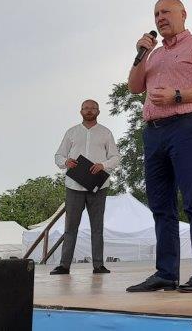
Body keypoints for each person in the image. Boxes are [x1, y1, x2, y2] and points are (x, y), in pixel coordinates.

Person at [126, 0, 192, 293]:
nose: (160, 17)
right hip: (153, 132)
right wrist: (141, 55)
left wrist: (178, 95)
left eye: (166, 11)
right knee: (160, 205)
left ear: (183, 14)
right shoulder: (152, 55)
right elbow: (134, 87)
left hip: (185, 127)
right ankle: (166, 273)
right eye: (156, 13)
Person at [51, 99, 120, 275]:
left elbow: (115, 157)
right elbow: (58, 155)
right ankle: (64, 265)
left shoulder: (106, 133)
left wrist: (103, 165)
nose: (89, 111)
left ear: (98, 111)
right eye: (86, 108)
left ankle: (98, 265)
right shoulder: (71, 132)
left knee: (97, 227)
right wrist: (66, 162)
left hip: (98, 186)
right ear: (81, 111)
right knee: (70, 227)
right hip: (74, 186)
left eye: (93, 108)